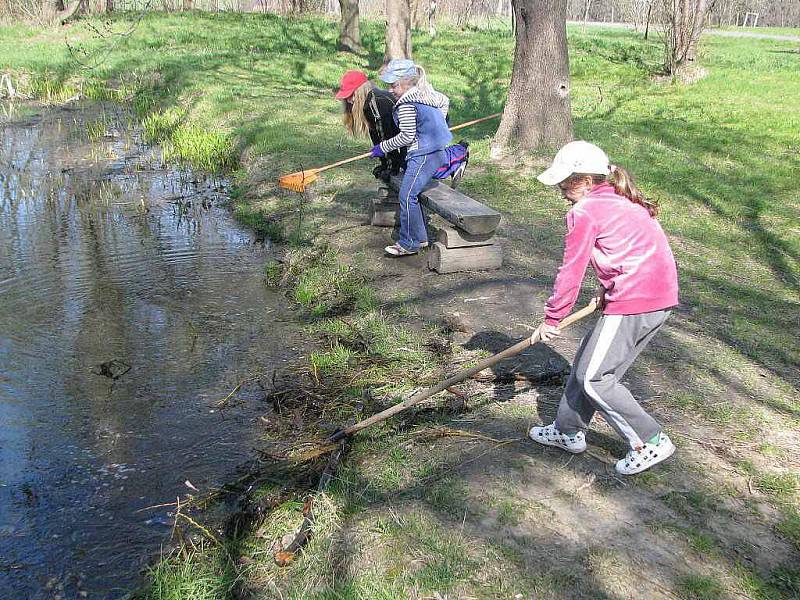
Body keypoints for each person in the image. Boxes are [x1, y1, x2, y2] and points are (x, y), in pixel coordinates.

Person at [528, 141, 679, 475]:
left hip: (636, 299)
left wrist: (553, 317)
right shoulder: (620, 198)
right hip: (656, 295)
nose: (561, 190)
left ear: (586, 180)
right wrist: (605, 288)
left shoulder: (584, 212)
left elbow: (571, 270)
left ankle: (650, 440)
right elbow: (628, 248)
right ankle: (567, 430)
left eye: (566, 182)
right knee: (586, 363)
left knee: (596, 378)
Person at [372, 59, 452, 256]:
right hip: (434, 151)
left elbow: (406, 136)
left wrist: (382, 147)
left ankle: (409, 243)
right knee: (411, 193)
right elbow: (445, 101)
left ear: (407, 83)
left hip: (423, 154)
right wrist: (436, 125)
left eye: (394, 85)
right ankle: (420, 237)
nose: (390, 90)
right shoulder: (427, 95)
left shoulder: (407, 104)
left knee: (407, 195)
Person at [335, 70, 406, 181]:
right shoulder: (369, 103)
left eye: (351, 95)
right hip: (400, 143)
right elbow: (376, 136)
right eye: (346, 97)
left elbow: (386, 137)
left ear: (360, 91)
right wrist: (384, 164)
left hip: (411, 147)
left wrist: (392, 168)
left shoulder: (377, 103)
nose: (349, 101)